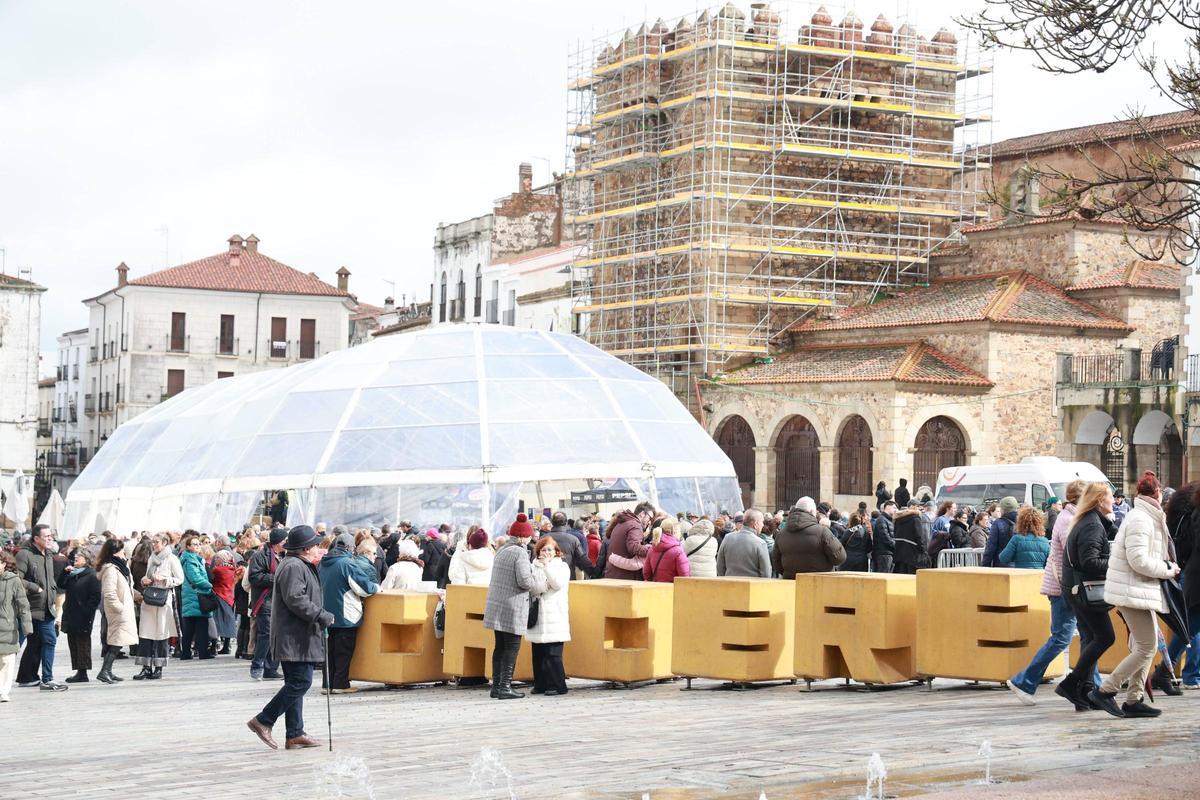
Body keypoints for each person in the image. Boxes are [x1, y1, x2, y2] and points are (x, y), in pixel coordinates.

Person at [1090, 472, 1180, 718]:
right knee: (1146, 646)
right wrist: (1168, 569)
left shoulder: (1144, 516)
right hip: (1132, 591)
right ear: (1158, 494)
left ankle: (1134, 699)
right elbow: (1138, 560)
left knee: (1147, 646)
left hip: (1138, 590)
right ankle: (1106, 691)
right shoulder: (1142, 519)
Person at [247, 525, 335, 750]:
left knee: (296, 682)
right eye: (316, 545)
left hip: (298, 635)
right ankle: (264, 720)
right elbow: (296, 599)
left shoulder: (297, 564)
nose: (318, 549)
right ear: (305, 548)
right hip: (293, 637)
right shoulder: (294, 566)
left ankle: (295, 732)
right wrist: (321, 615)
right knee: (301, 682)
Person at [1007, 480, 1090, 705]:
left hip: (1066, 587)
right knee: (1062, 638)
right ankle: (1024, 681)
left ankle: (1092, 686)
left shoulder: (1069, 518)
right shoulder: (1068, 520)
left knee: (1088, 636)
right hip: (1064, 588)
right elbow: (1072, 554)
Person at [1058, 482, 1117, 712]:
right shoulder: (1092, 524)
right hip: (1085, 590)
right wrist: (1114, 563)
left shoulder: (1088, 521)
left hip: (1076, 589)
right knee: (1105, 637)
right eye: (1110, 497)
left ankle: (1084, 689)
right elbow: (1090, 561)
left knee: (1093, 637)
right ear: (1100, 501)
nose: (1114, 500)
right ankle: (1072, 684)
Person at [483, 514, 546, 700]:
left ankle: (496, 687)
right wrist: (538, 578)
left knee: (500, 647)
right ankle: (504, 687)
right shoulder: (519, 552)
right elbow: (525, 582)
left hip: (497, 605)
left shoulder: (503, 549)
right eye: (529, 536)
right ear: (522, 536)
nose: (530, 538)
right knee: (511, 647)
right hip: (512, 606)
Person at [319, 532, 380, 694]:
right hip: (346, 615)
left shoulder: (323, 562)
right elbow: (364, 588)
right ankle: (340, 684)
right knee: (343, 652)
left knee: (330, 651)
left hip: (325, 614)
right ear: (350, 548)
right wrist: (377, 588)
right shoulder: (346, 563)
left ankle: (327, 684)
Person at [15, 524, 64, 691]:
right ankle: (42, 679)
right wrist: (35, 588)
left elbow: (49, 579)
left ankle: (37, 678)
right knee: (45, 641)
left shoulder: (49, 554)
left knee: (42, 642)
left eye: (51, 535)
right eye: (46, 536)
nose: (50, 539)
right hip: (30, 609)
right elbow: (16, 579)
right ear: (36, 539)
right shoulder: (25, 554)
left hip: (46, 609)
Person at [134, 533, 182, 680]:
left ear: (165, 543)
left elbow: (180, 579)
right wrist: (144, 580)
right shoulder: (151, 558)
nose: (154, 544)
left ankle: (159, 667)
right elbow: (147, 576)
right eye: (153, 542)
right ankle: (145, 667)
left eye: (157, 542)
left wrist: (165, 580)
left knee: (161, 632)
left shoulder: (172, 559)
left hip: (163, 598)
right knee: (145, 632)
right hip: (149, 598)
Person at [527, 536, 570, 696]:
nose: (546, 553)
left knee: (553, 653)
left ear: (556, 551)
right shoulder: (533, 566)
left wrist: (546, 567)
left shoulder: (562, 566)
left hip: (555, 614)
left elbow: (557, 583)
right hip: (538, 614)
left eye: (550, 550)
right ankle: (540, 684)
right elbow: (532, 587)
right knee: (538, 653)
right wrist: (543, 586)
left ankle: (557, 685)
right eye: (543, 550)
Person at [95, 538, 139, 684]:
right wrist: (119, 608)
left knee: (118, 640)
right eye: (121, 550)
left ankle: (108, 670)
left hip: (124, 609)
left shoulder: (120, 566)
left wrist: (138, 596)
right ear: (115, 552)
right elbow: (109, 592)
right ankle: (104, 671)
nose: (124, 553)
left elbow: (126, 587)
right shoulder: (111, 569)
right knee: (117, 640)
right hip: (119, 611)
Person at [772, 497, 846, 578]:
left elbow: (776, 563)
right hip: (819, 584)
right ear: (811, 511)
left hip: (792, 584)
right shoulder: (823, 532)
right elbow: (840, 558)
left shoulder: (780, 534)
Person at [248, 527, 286, 681]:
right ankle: (257, 666)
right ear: (278, 542)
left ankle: (271, 668)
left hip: (279, 602)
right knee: (266, 635)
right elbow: (254, 577)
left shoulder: (283, 556)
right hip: (265, 601)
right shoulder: (260, 556)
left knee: (277, 635)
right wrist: (276, 578)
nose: (286, 543)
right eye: (284, 541)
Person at [59, 547, 101, 683]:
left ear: (87, 560)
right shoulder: (72, 574)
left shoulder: (92, 575)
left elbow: (95, 597)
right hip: (71, 613)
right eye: (75, 556)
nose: (76, 558)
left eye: (79, 556)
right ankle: (78, 671)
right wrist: (64, 573)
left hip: (83, 615)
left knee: (82, 642)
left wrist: (86, 612)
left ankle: (83, 672)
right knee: (73, 642)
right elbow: (61, 584)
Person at [0, 550, 33, 702]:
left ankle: (3, 691)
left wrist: (27, 628)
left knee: (7, 660)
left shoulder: (13, 580)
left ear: (4, 564)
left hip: (7, 627)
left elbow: (23, 605)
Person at [179, 534, 213, 661]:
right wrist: (209, 585)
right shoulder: (190, 560)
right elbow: (195, 578)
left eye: (199, 544)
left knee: (191, 626)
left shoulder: (196, 559)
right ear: (188, 547)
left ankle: (187, 653)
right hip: (196, 596)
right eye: (195, 544)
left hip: (194, 596)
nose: (198, 546)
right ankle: (202, 652)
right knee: (200, 626)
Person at [715, 508, 772, 577]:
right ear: (755, 524)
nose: (763, 525)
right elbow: (766, 573)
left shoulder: (728, 538)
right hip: (752, 586)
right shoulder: (760, 543)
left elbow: (720, 566)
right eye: (762, 522)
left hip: (730, 585)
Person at [604, 504, 653, 580]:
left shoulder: (622, 523)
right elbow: (633, 547)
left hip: (615, 574)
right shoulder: (635, 525)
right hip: (626, 577)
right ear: (642, 514)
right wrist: (652, 550)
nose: (649, 522)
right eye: (650, 518)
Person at [547, 512, 595, 580]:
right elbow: (582, 558)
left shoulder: (543, 538)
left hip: (548, 578)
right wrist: (594, 573)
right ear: (566, 523)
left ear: (552, 522)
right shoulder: (573, 539)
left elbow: (535, 558)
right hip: (567, 578)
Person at [643, 517, 690, 583]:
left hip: (655, 589)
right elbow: (685, 577)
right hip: (672, 590)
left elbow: (646, 574)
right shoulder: (678, 551)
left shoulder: (652, 548)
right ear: (674, 532)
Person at [210, 550, 238, 656]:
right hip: (229, 597)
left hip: (219, 596)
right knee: (227, 621)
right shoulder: (233, 569)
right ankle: (226, 646)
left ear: (222, 559)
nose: (215, 560)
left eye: (217, 558)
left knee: (215, 623)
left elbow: (210, 580)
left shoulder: (218, 570)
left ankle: (213, 647)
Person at [892, 505, 931, 574]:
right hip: (913, 554)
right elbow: (919, 536)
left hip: (899, 552)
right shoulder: (916, 519)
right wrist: (923, 550)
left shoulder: (898, 520)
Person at [982, 496, 1019, 567]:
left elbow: (991, 546)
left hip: (1001, 564)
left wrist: (985, 565)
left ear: (1002, 509)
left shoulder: (997, 523)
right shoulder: (1023, 522)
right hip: (1020, 565)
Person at [871, 501, 897, 573]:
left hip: (887, 553)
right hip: (883, 554)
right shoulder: (882, 520)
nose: (896, 510)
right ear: (887, 507)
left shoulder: (888, 520)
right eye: (894, 507)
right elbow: (885, 537)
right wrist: (896, 545)